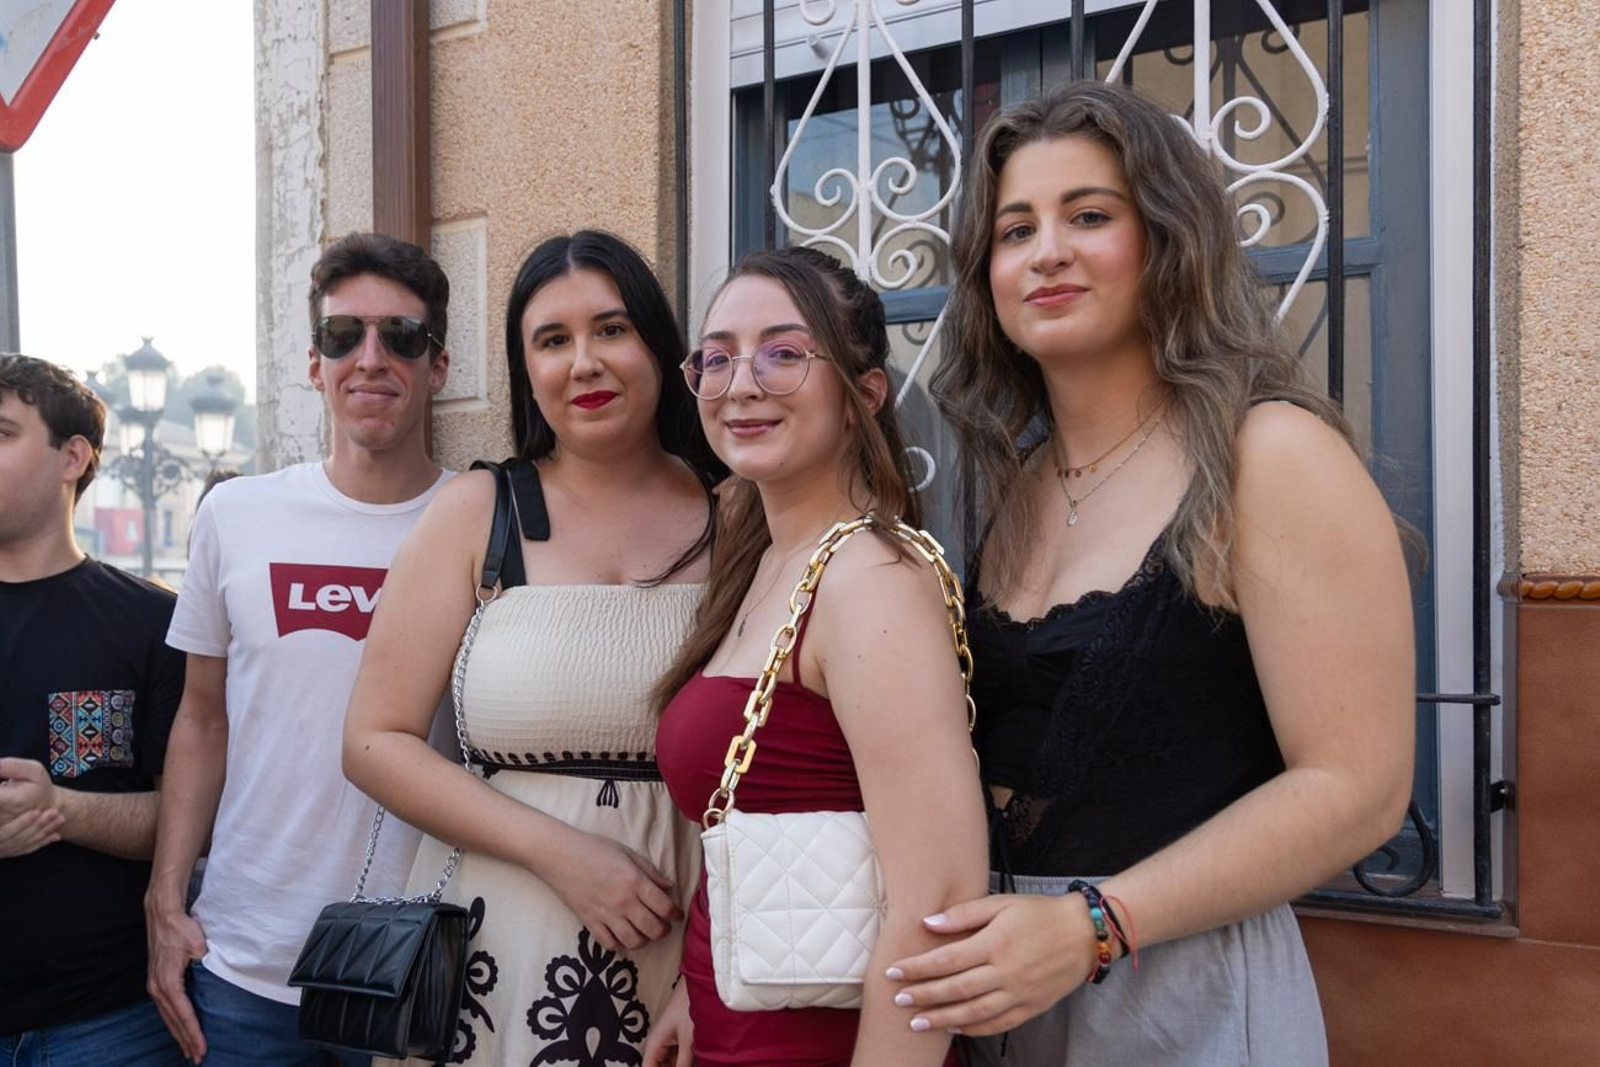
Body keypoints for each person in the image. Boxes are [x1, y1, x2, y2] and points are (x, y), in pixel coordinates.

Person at [880, 80, 1416, 1064]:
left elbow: (1359, 786)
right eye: (1014, 229)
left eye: (1089, 215)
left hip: (1178, 989)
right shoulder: (1017, 482)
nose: (1045, 250)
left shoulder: (1270, 454)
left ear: (1168, 241)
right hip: (1004, 996)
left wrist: (1095, 922)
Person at [342, 230, 722, 1065]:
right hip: (498, 938)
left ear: (661, 345)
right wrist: (567, 854)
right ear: (527, 369)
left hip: (693, 947)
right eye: (553, 340)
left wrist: (708, 974)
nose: (584, 362)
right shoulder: (478, 511)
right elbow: (374, 742)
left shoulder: (740, 517)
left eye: (612, 329)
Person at [646, 246, 989, 1067]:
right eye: (718, 357)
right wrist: (691, 988)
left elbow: (936, 900)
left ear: (864, 393)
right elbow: (749, 820)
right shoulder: (762, 558)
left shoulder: (871, 580)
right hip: (729, 1025)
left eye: (784, 353)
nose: (741, 383)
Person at [144, 232, 454, 1066]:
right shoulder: (236, 515)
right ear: (315, 365)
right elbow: (201, 718)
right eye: (342, 336)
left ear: (439, 366)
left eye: (402, 336)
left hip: (417, 960)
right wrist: (166, 901)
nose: (371, 358)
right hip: (244, 965)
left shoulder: (482, 520)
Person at [0, 354, 185, 1066]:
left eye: (3, 431)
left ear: (72, 455)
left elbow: (189, 820)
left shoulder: (155, 623)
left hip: (111, 1024)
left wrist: (61, 810)